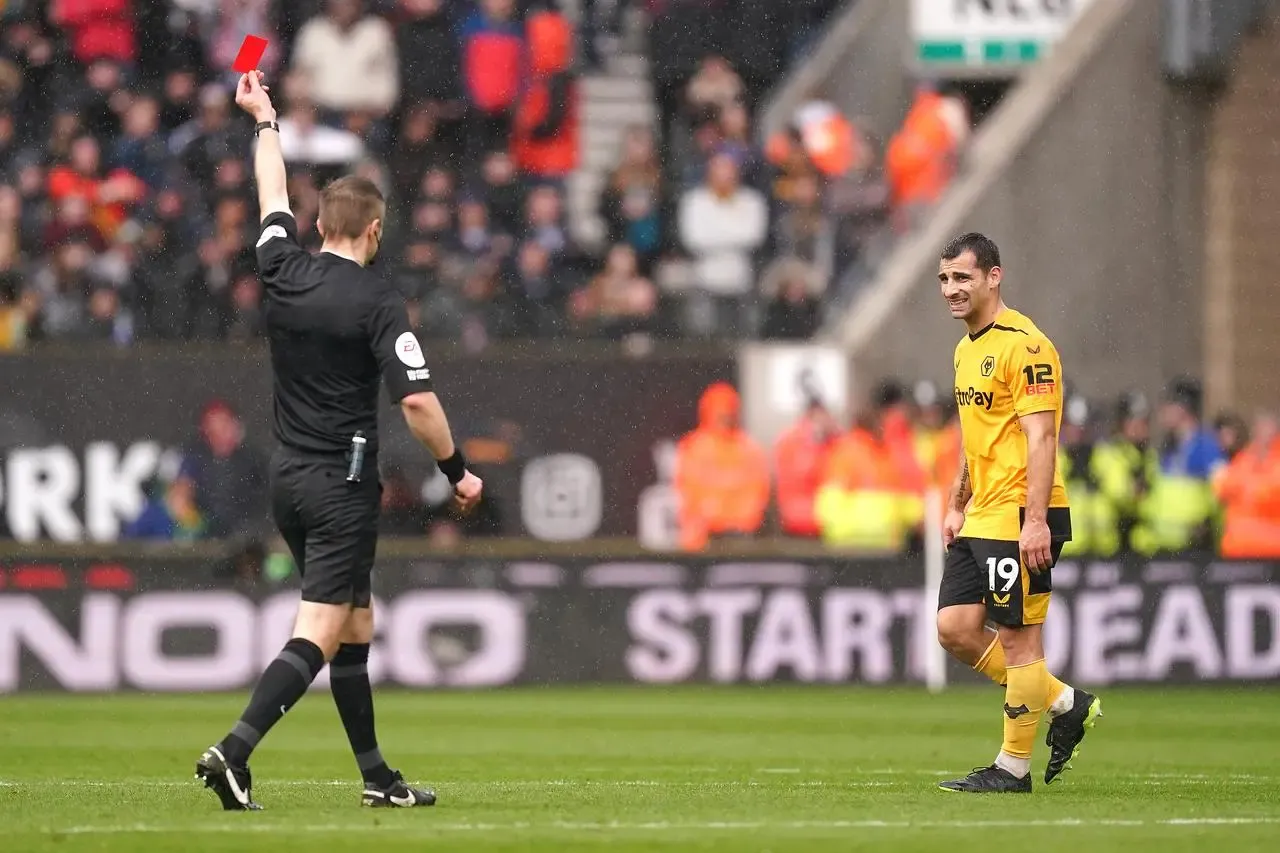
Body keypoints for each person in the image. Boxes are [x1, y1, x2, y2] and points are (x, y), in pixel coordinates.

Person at [194, 70, 483, 812]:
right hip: (343, 483)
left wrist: (265, 121)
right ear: (375, 232)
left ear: (320, 225)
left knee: (356, 620)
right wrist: (455, 469)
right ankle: (233, 750)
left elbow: (269, 196)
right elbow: (417, 401)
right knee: (321, 631)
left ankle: (377, 777)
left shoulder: (282, 267)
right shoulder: (380, 300)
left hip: (290, 478)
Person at [933, 233, 1100, 794]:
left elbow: (1041, 438)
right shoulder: (964, 349)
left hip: (1021, 511)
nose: (952, 289)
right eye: (945, 279)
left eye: (963, 277)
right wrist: (958, 499)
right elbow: (976, 435)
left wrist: (1034, 521)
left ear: (993, 277)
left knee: (1019, 641)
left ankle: (1012, 768)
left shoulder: (1026, 347)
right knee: (954, 628)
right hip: (981, 510)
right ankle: (1063, 702)